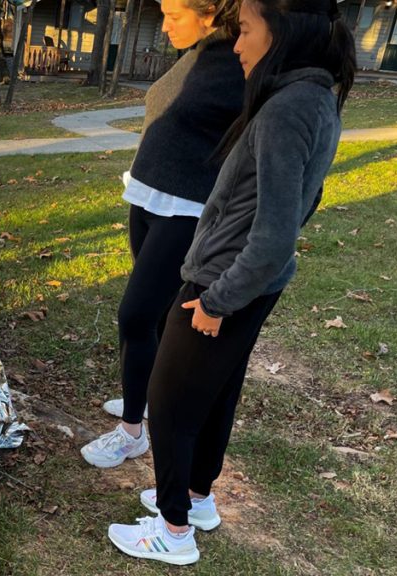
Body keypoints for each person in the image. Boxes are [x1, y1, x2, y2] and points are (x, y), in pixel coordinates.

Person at [107, 0, 355, 565]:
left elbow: (273, 235)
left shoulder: (287, 109)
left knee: (168, 404)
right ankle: (197, 500)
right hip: (249, 282)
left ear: (281, 32)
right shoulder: (315, 97)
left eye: (244, 32)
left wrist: (217, 298)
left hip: (224, 281)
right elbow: (301, 202)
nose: (236, 45)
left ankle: (172, 531)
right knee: (216, 394)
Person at [81, 0, 245, 469]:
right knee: (149, 320)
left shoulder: (241, 59)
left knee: (135, 316)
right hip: (150, 198)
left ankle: (133, 432)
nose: (165, 25)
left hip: (187, 209)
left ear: (210, 12)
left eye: (174, 15)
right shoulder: (198, 51)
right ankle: (145, 398)